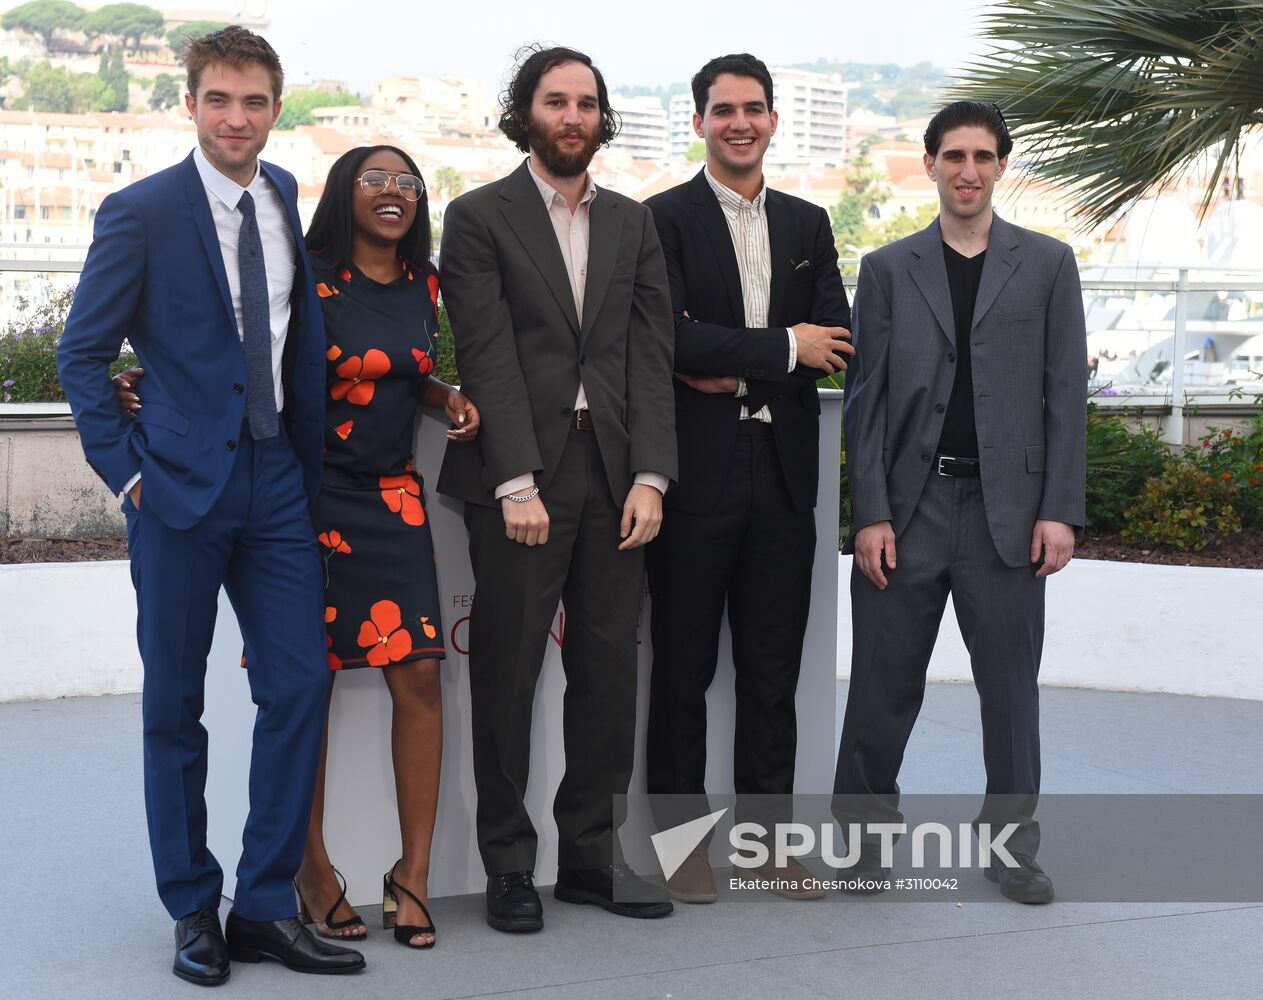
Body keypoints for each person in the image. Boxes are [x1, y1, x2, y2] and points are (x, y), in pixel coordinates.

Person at [56, 26, 365, 984]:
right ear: (189, 105)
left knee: (301, 685)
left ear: (277, 109)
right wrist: (130, 475)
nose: (238, 118)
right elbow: (82, 355)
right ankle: (193, 905)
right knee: (174, 706)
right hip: (178, 492)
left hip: (276, 483)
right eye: (219, 99)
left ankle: (266, 906)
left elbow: (288, 339)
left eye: (255, 101)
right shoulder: (140, 211)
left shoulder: (280, 196)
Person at [116, 145, 480, 950]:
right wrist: (145, 392)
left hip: (391, 498)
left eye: (408, 183)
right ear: (343, 192)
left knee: (405, 674)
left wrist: (443, 391)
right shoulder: (305, 268)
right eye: (375, 180)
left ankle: (407, 877)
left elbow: (399, 367)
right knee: (288, 688)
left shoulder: (426, 283)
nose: (393, 194)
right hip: (306, 495)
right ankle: (303, 875)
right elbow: (242, 352)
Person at [436, 44, 678, 932]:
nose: (571, 117)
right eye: (554, 101)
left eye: (586, 104)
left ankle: (590, 860)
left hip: (614, 475)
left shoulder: (632, 223)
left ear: (601, 118)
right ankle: (507, 865)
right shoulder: (477, 217)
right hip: (520, 478)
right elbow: (485, 353)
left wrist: (650, 474)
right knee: (505, 675)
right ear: (524, 113)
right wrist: (512, 479)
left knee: (609, 677)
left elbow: (648, 354)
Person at [834, 101, 1087, 904]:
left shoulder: (1048, 264)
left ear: (1001, 166)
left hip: (1008, 515)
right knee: (879, 684)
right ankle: (865, 842)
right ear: (930, 165)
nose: (967, 170)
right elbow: (862, 402)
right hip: (908, 510)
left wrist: (1060, 509)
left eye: (982, 156)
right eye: (953, 156)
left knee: (1010, 694)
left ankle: (1011, 851)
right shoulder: (885, 269)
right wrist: (869, 513)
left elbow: (1062, 398)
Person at [642, 53, 852, 903]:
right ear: (697, 122)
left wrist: (729, 363)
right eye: (722, 109)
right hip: (695, 475)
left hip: (783, 476)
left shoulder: (808, 223)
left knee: (771, 673)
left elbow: (836, 339)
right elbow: (666, 341)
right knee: (683, 671)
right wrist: (775, 351)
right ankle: (680, 850)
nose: (739, 122)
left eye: (753, 109)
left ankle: (768, 845)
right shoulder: (660, 220)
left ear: (772, 121)